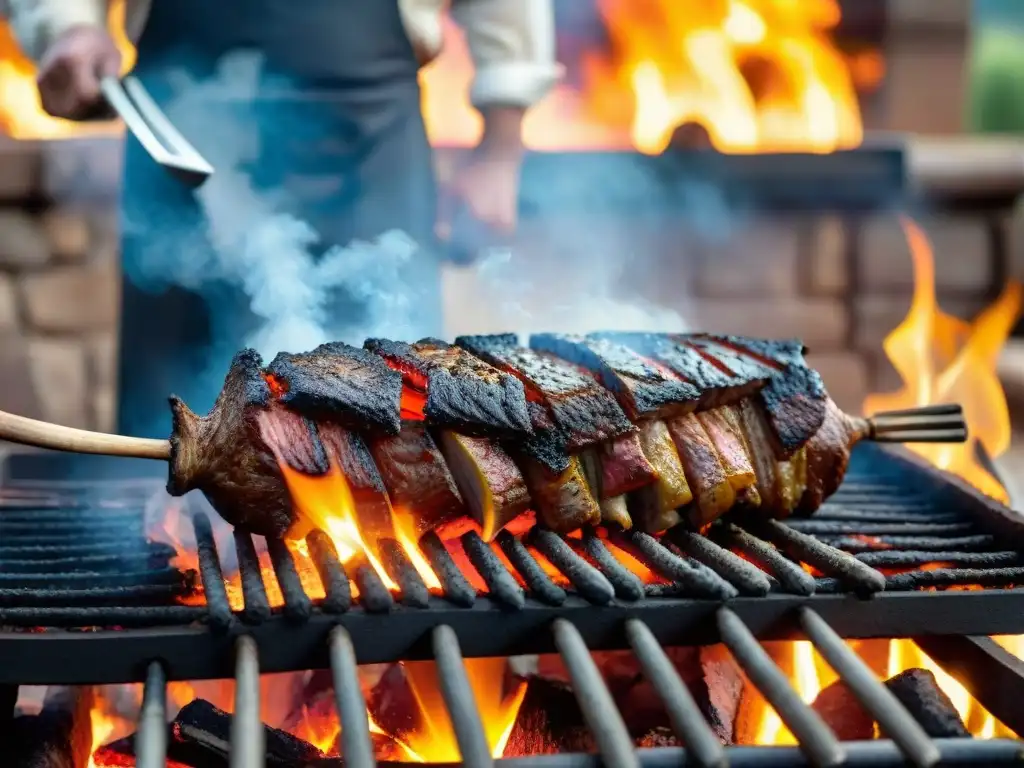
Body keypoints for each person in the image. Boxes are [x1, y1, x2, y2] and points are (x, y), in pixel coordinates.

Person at [7, 0, 560, 438]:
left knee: (395, 418)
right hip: (179, 129)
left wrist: (500, 148)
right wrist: (66, 23)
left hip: (367, 139)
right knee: (175, 431)